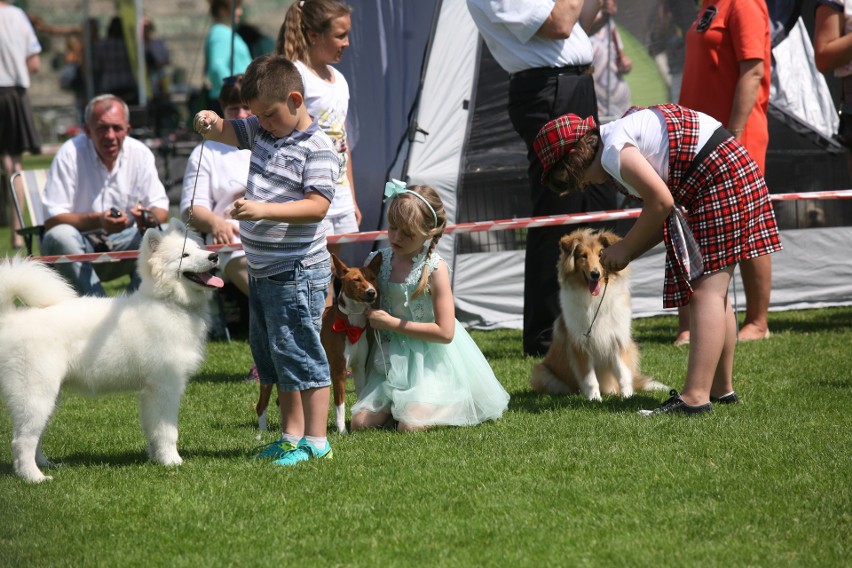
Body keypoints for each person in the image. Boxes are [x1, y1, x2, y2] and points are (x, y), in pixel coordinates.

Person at [532, 104, 782, 414]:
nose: (583, 186)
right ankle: (720, 390)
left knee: (705, 293)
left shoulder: (613, 153)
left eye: (575, 181)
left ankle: (694, 399)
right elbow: (662, 212)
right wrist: (627, 252)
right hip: (729, 171)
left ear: (576, 161)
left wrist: (623, 250)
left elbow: (661, 203)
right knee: (716, 295)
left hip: (720, 180)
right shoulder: (617, 141)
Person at [193, 54, 339, 466]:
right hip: (264, 272)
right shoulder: (261, 130)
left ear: (295, 99)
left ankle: (317, 440)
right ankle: (291, 436)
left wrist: (263, 210)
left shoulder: (319, 147)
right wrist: (205, 121)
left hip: (297, 271)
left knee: (302, 352)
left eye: (269, 115)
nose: (262, 123)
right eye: (257, 115)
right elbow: (223, 130)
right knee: (277, 355)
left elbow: (316, 206)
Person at [466, 0, 620, 357]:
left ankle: (597, 324)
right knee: (558, 211)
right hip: (548, 89)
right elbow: (561, 22)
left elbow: (581, 20)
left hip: (574, 84)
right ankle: (546, 338)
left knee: (596, 203)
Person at [350, 181, 510, 432]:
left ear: (430, 232)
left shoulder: (435, 269)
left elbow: (446, 333)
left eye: (407, 233)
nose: (396, 237)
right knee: (359, 423)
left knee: (410, 426)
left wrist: (392, 323)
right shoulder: (378, 261)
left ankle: (456, 400)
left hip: (431, 361)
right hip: (390, 359)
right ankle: (394, 407)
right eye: (392, 228)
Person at [676, 0, 773, 345]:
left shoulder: (744, 4)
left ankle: (758, 322)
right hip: (700, 138)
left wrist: (732, 135)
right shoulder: (709, 5)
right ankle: (691, 324)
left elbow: (754, 71)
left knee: (748, 228)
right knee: (691, 224)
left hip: (734, 135)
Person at [40, 94, 169, 296]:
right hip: (79, 245)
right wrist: (99, 220)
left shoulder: (140, 153)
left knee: (165, 233)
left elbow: (161, 209)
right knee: (60, 235)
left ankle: (135, 307)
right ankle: (101, 311)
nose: (110, 135)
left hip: (126, 243)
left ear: (127, 129)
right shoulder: (69, 153)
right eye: (102, 128)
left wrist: (145, 217)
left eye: (117, 128)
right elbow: (52, 219)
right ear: (88, 131)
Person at [277, 0, 360, 304]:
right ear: (313, 35)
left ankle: (327, 342)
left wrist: (350, 195)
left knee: (330, 270)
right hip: (307, 192)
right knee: (311, 271)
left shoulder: (340, 81)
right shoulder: (295, 76)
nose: (346, 43)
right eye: (340, 35)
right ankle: (317, 340)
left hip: (337, 191)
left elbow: (343, 141)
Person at [0, 0, 42, 250]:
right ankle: (18, 233)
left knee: (9, 161)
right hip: (13, 93)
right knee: (13, 161)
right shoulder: (17, 16)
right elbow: (34, 63)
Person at [205, 0, 252, 115]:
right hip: (232, 103)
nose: (240, 12)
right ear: (222, 10)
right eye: (236, 8)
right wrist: (235, 92)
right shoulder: (220, 33)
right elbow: (217, 67)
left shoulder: (224, 32)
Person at [588, 0, 632, 122]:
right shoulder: (581, 23)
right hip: (598, 103)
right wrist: (604, 16)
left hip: (619, 100)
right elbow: (585, 30)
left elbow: (621, 57)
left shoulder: (609, 23)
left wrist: (625, 64)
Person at [94, 16, 138, 105]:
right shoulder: (129, 45)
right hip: (128, 83)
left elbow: (97, 65)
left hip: (110, 84)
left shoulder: (102, 45)